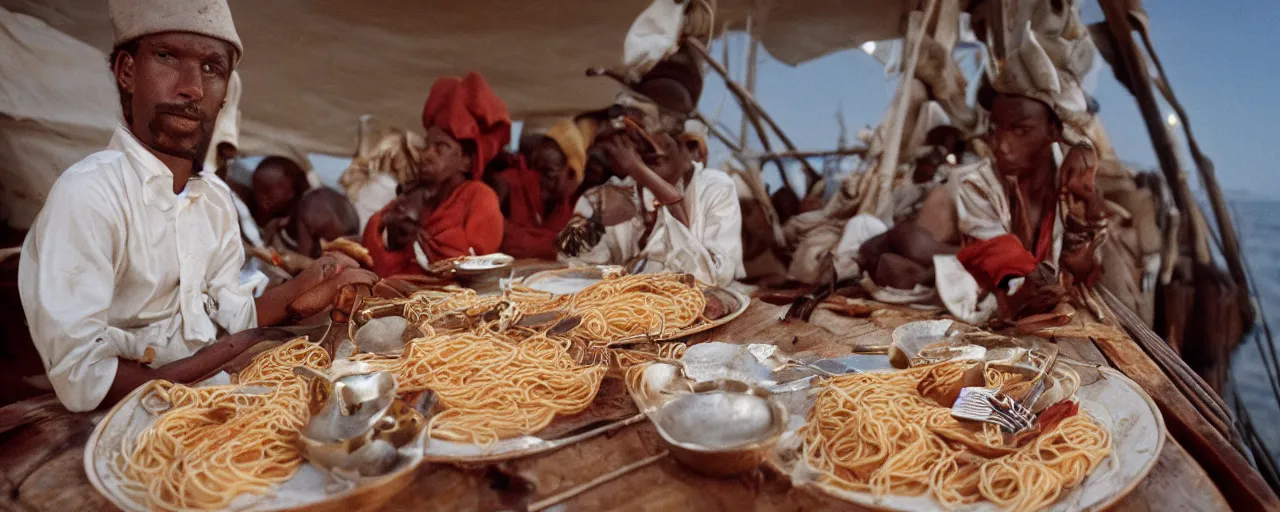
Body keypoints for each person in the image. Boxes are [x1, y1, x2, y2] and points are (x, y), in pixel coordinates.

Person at [17, 0, 372, 412]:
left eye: (211, 68)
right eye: (167, 57)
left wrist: (315, 281)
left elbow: (235, 315)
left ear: (225, 93)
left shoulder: (216, 202)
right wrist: (225, 354)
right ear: (127, 71)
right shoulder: (88, 195)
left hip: (212, 393)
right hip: (115, 418)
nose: (193, 88)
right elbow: (83, 378)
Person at [557, 115, 744, 287]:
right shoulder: (606, 196)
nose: (651, 141)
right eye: (640, 133)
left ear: (690, 150)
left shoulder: (716, 188)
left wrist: (639, 171)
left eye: (663, 131)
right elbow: (574, 264)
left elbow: (717, 275)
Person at [363, 72, 506, 277]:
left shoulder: (480, 196)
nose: (426, 155)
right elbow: (374, 243)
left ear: (465, 161)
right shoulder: (415, 192)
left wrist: (418, 237)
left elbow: (477, 264)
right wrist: (391, 233)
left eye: (440, 147)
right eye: (427, 146)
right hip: (400, 292)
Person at [492, 120, 589, 259]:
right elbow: (494, 237)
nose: (539, 179)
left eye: (549, 174)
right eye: (535, 170)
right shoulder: (507, 185)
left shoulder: (576, 206)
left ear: (571, 173)